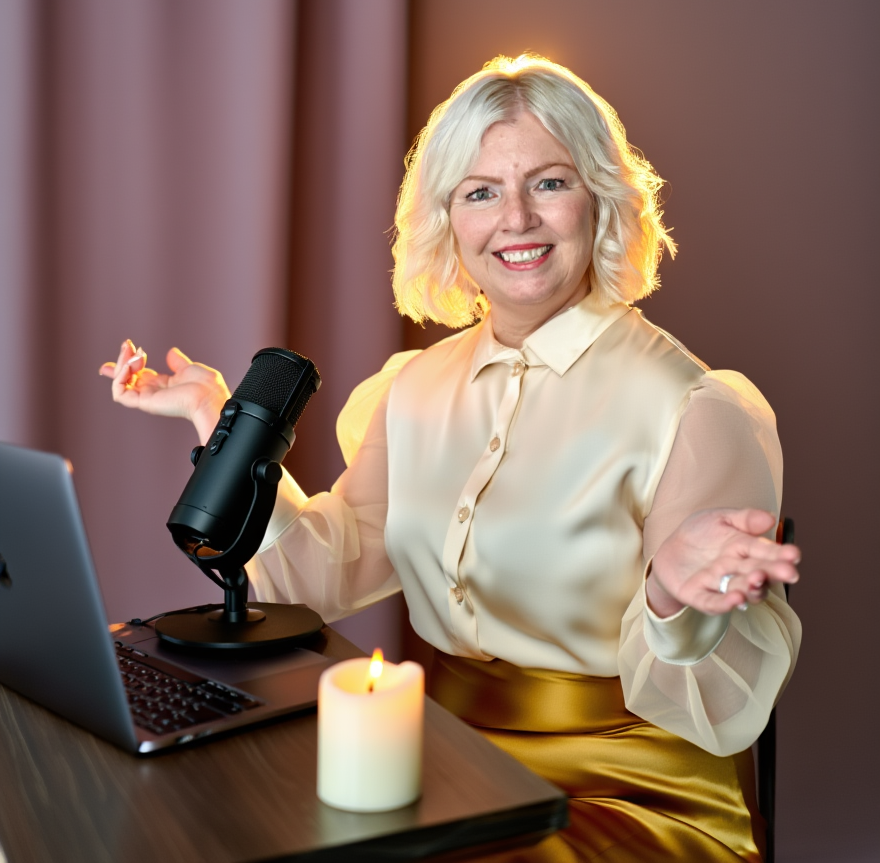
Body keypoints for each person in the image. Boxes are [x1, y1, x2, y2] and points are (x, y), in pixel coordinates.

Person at [101, 55, 801, 862]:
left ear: (601, 201)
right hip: (443, 761)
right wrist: (216, 417)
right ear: (447, 220)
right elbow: (327, 576)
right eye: (480, 192)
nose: (516, 220)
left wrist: (672, 600)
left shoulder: (694, 408)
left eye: (549, 183)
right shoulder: (415, 387)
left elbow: (713, 701)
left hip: (629, 787)